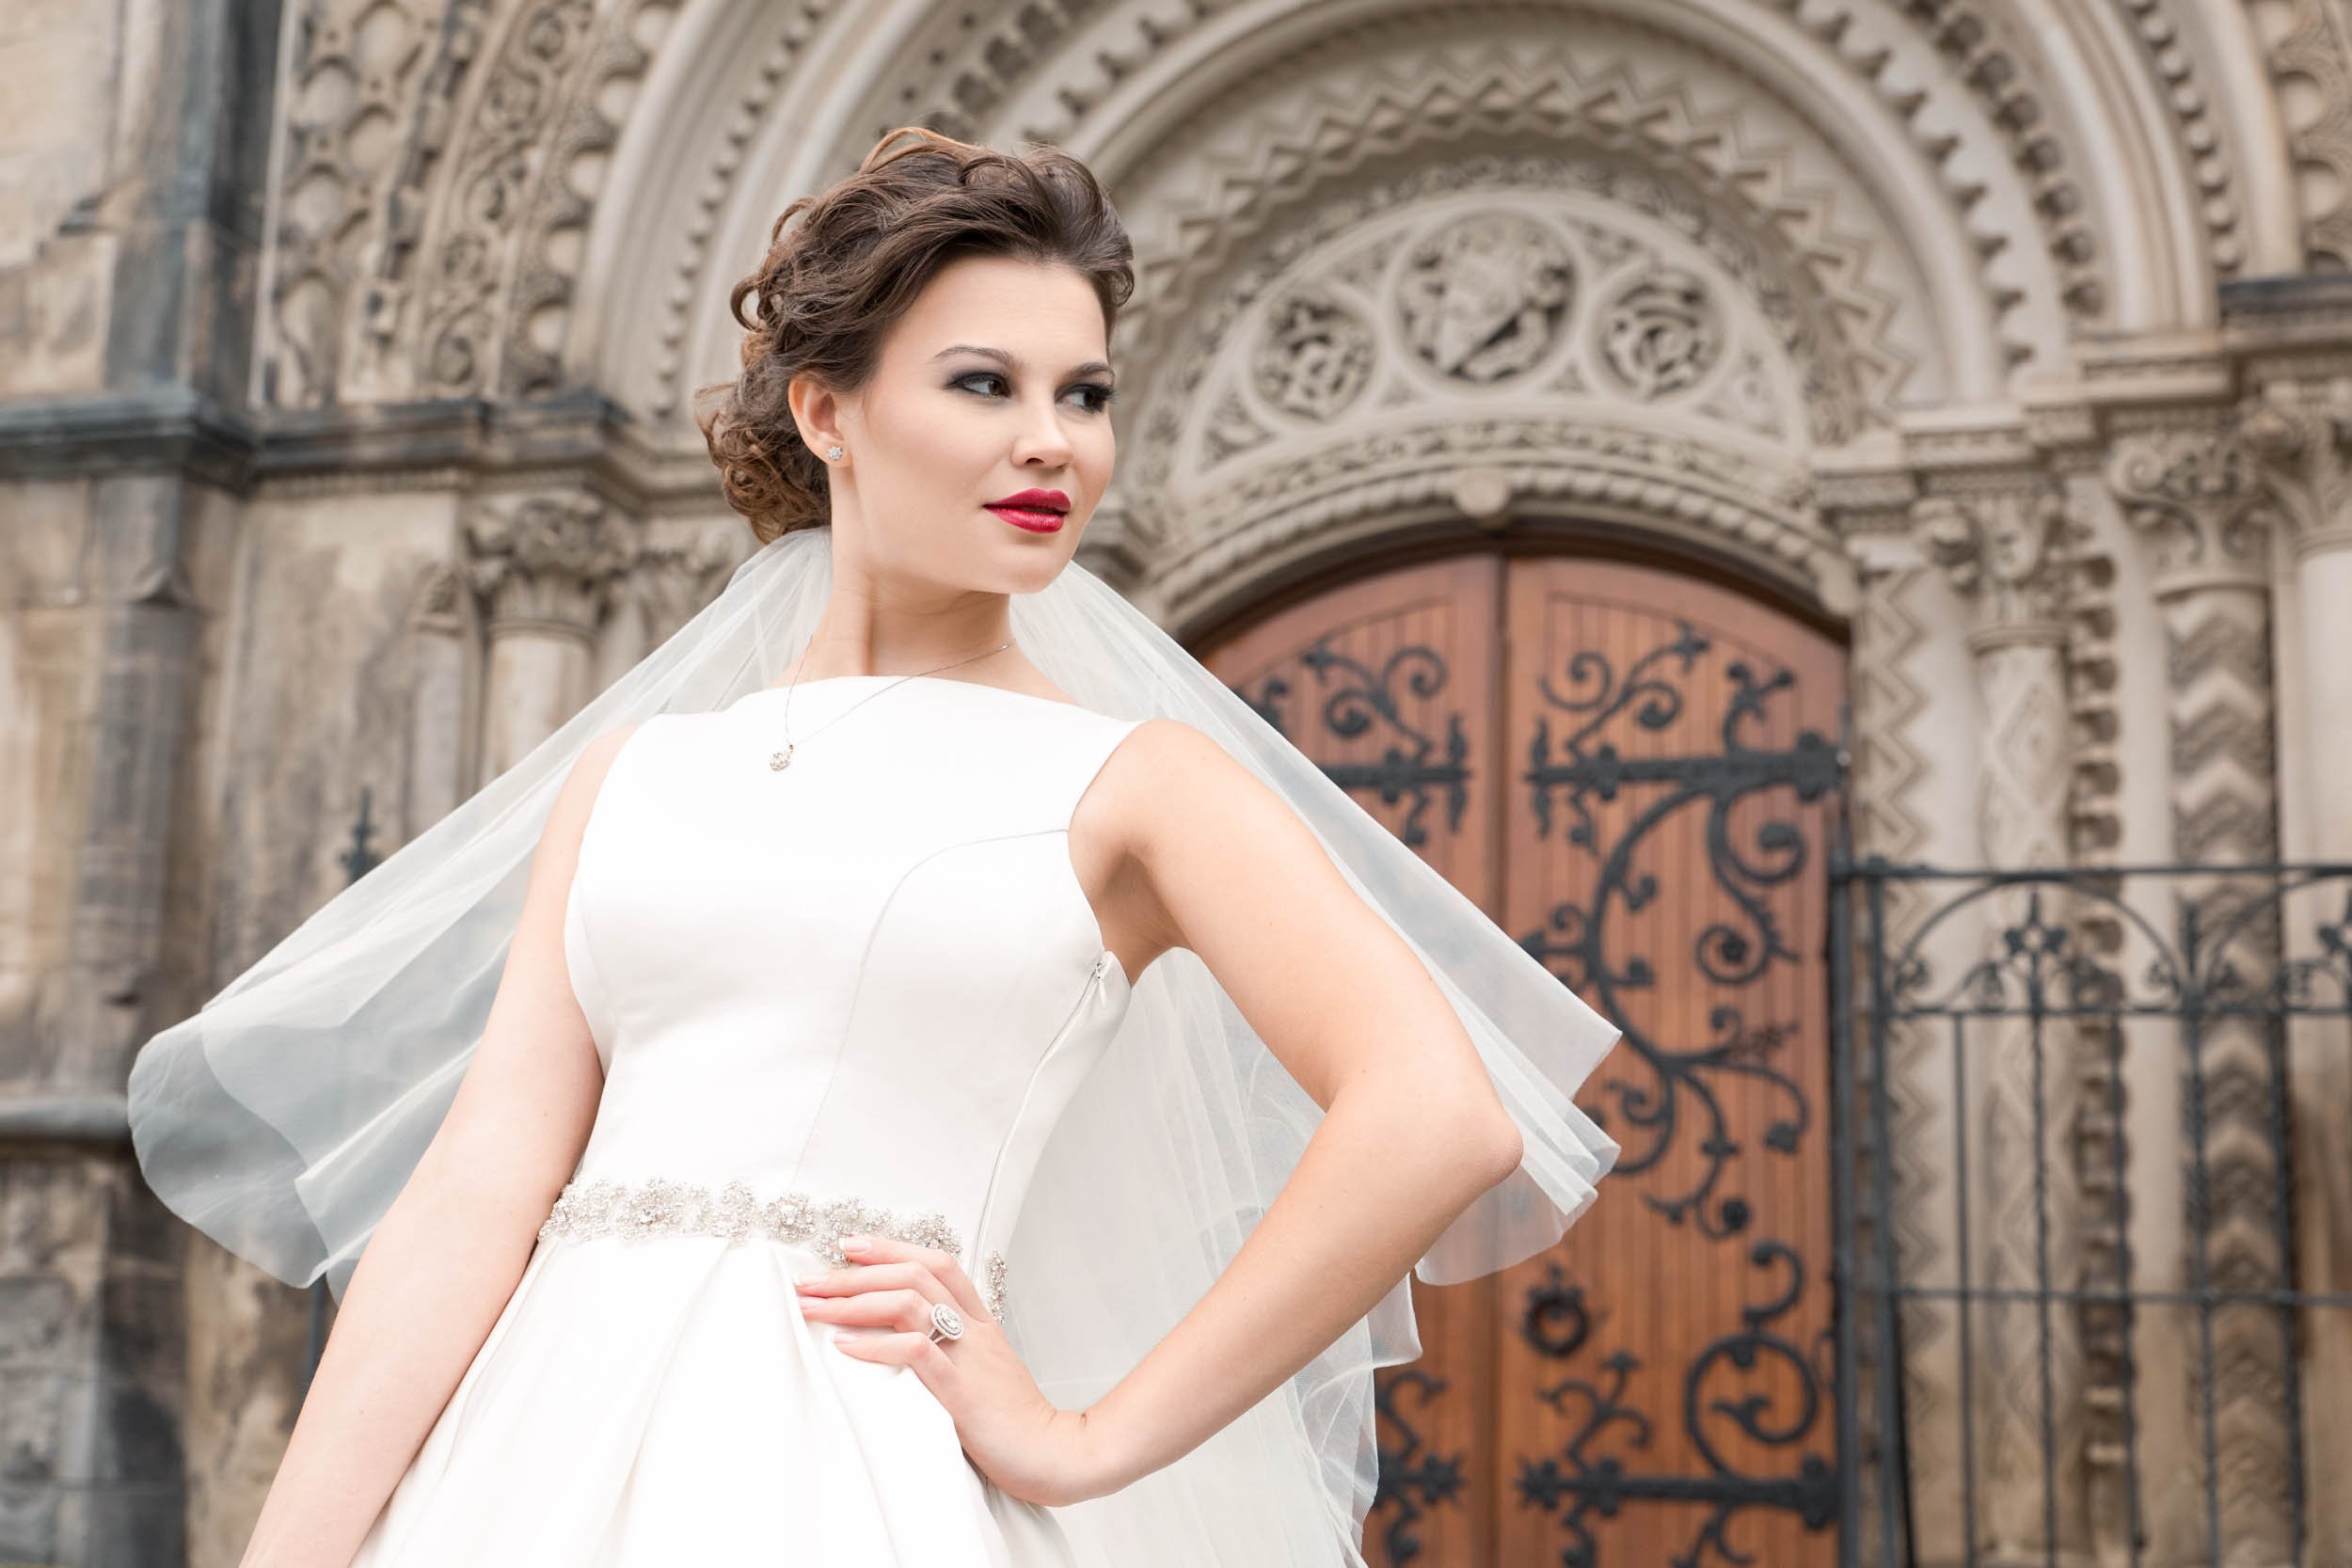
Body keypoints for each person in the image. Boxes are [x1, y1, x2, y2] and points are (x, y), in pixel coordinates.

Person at [129, 128, 1620, 1567]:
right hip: (532, 1462)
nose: (1051, 441)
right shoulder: (637, 775)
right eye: (984, 383)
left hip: (857, 1466)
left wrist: (1082, 1439)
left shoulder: (1136, 786)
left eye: (1085, 394)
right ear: (826, 413)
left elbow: (1439, 1116)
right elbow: (471, 1199)